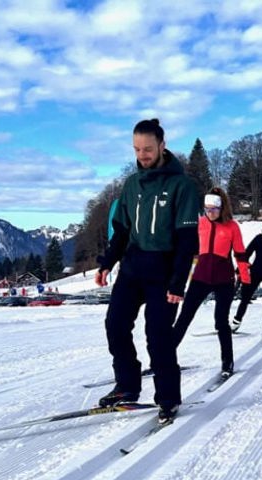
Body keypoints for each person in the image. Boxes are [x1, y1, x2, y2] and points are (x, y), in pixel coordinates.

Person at [95, 118, 199, 424]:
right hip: (132, 269)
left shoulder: (183, 186)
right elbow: (121, 230)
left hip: (164, 273)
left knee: (158, 337)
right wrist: (106, 262)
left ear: (162, 146)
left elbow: (187, 239)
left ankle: (168, 397)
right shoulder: (131, 185)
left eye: (148, 148)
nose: (142, 155)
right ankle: (127, 385)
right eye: (137, 149)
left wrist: (178, 282)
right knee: (115, 325)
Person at [171, 188, 251, 377]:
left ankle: (227, 362)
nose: (210, 213)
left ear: (221, 208)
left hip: (224, 280)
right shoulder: (199, 224)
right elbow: (184, 249)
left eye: (214, 209)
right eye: (206, 209)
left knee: (221, 322)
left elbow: (240, 253)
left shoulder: (232, 226)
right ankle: (165, 357)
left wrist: (245, 278)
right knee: (184, 318)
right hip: (200, 278)